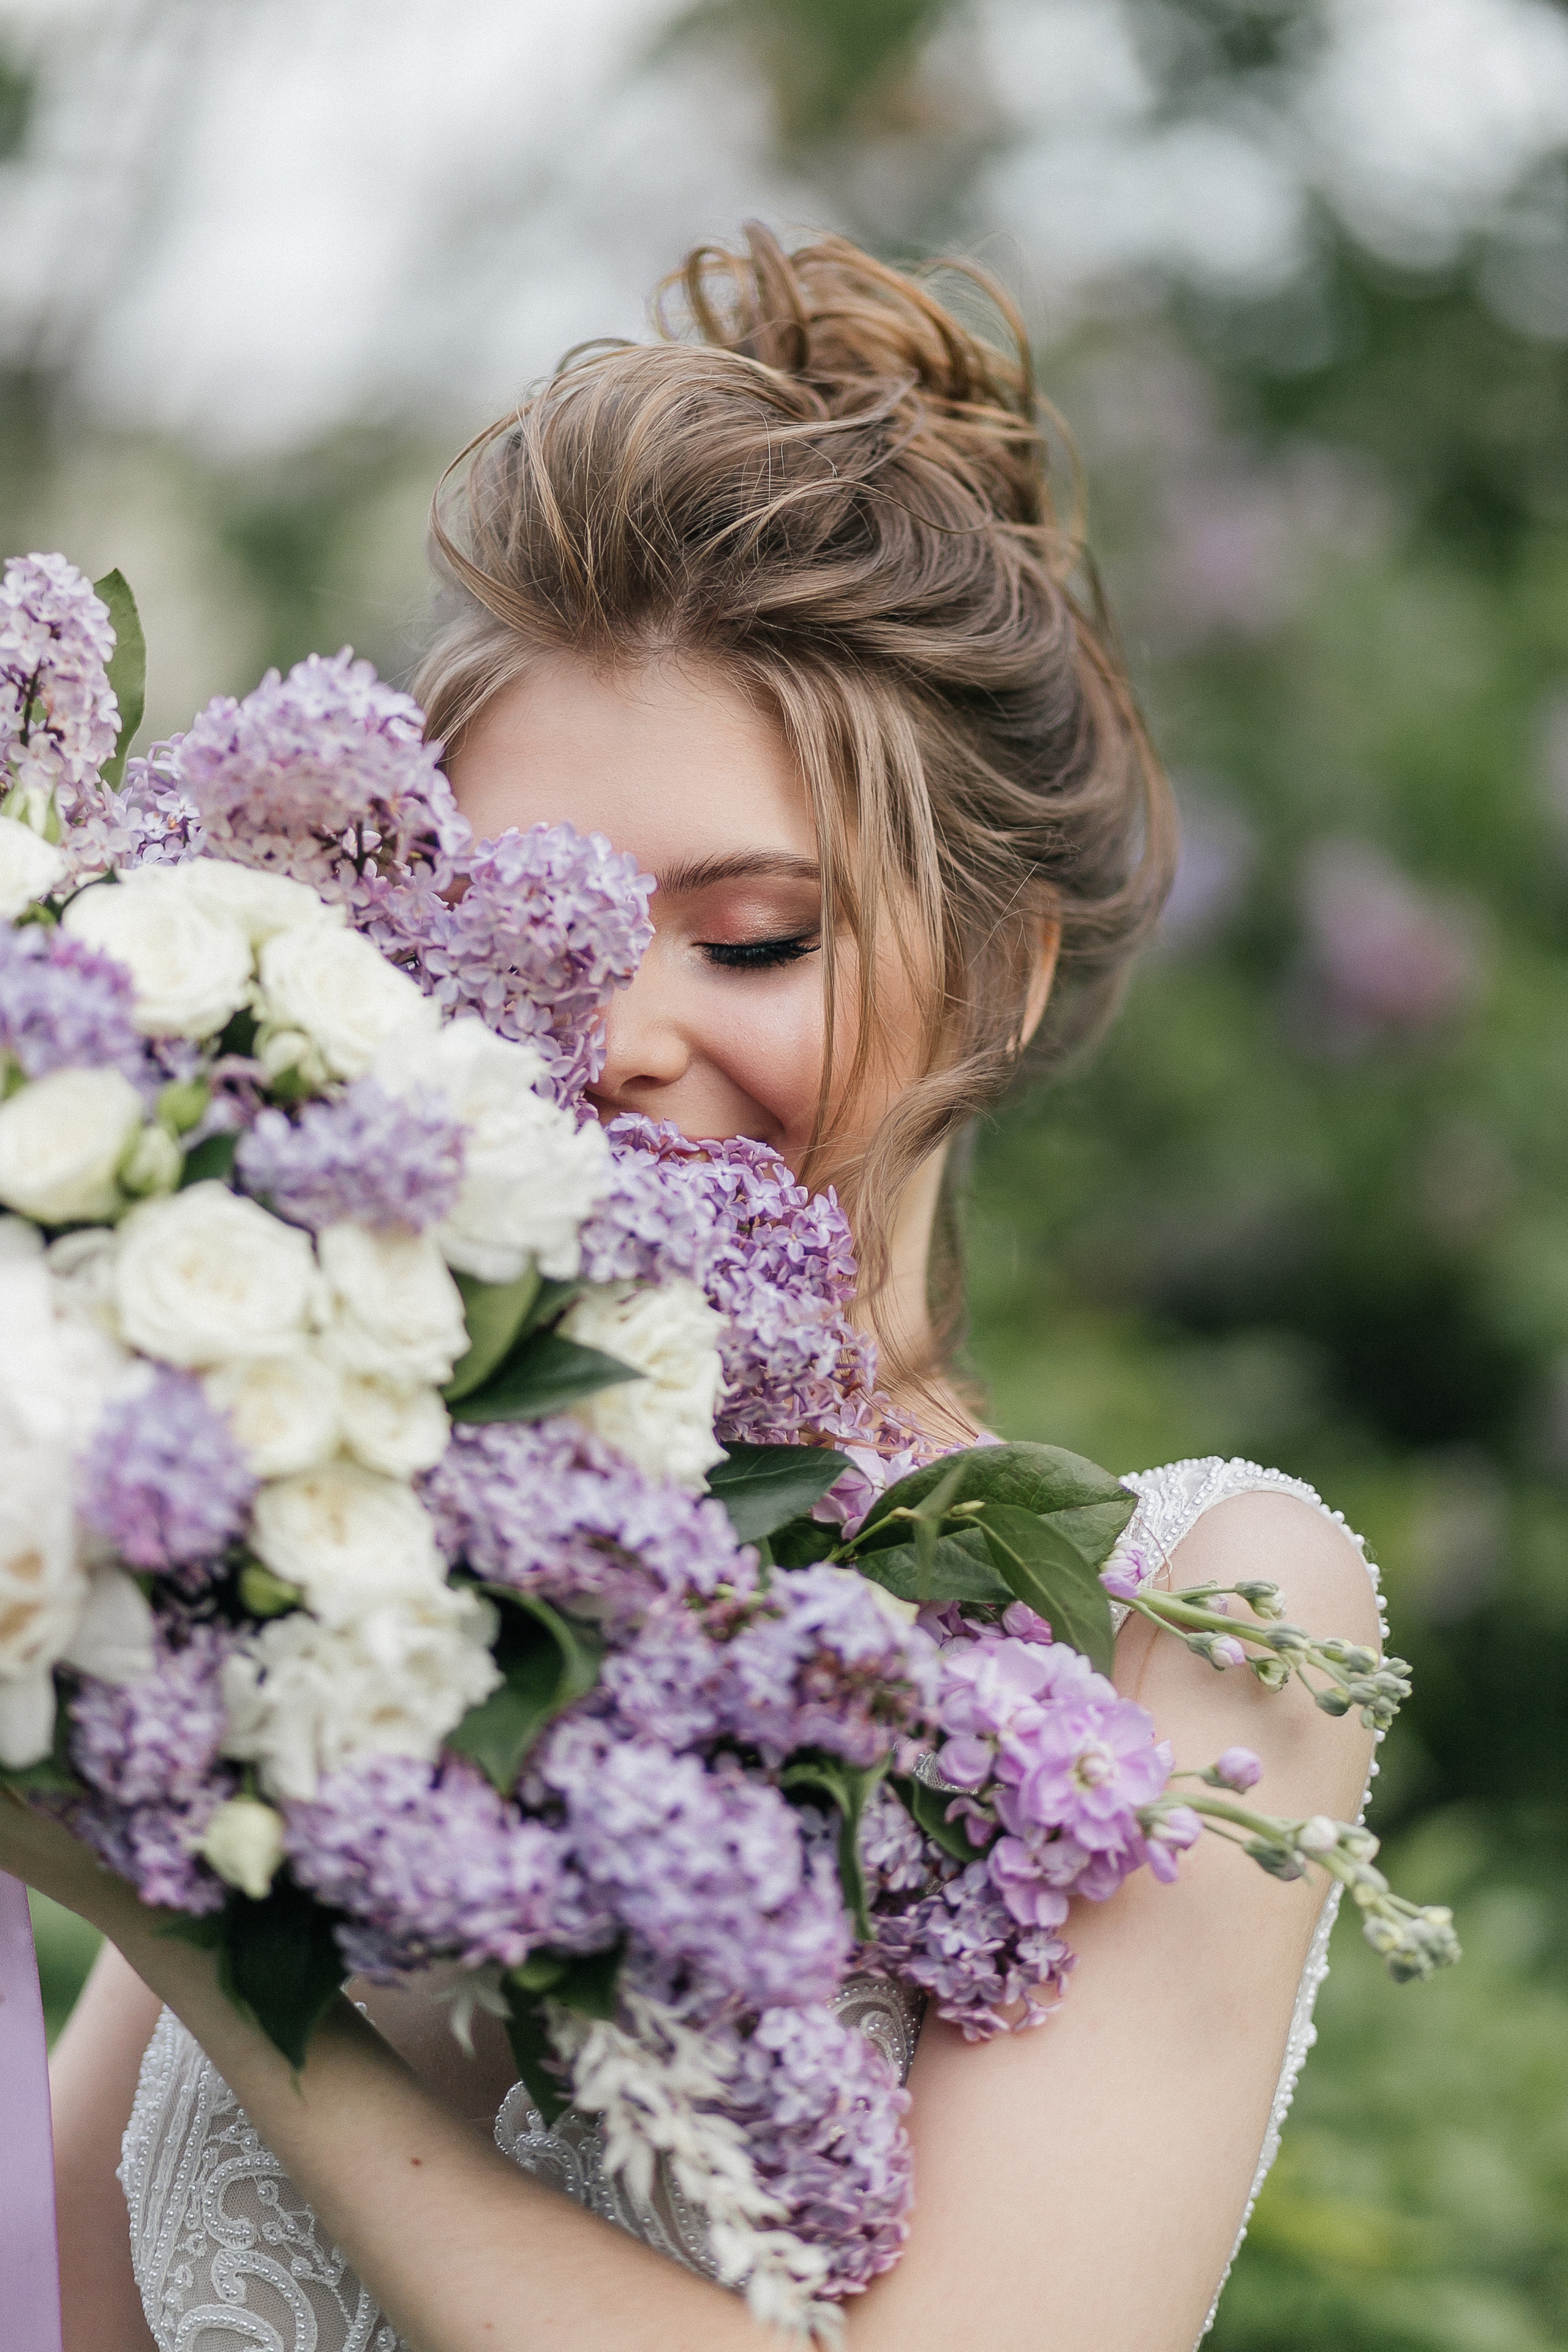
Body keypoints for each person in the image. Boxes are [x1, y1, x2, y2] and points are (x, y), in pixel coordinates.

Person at [9, 226, 1380, 2352]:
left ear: (997, 974)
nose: (621, 1028)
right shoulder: (338, 1574)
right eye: (523, 927)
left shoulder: (1197, 1621)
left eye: (748, 939)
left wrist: (202, 1950)